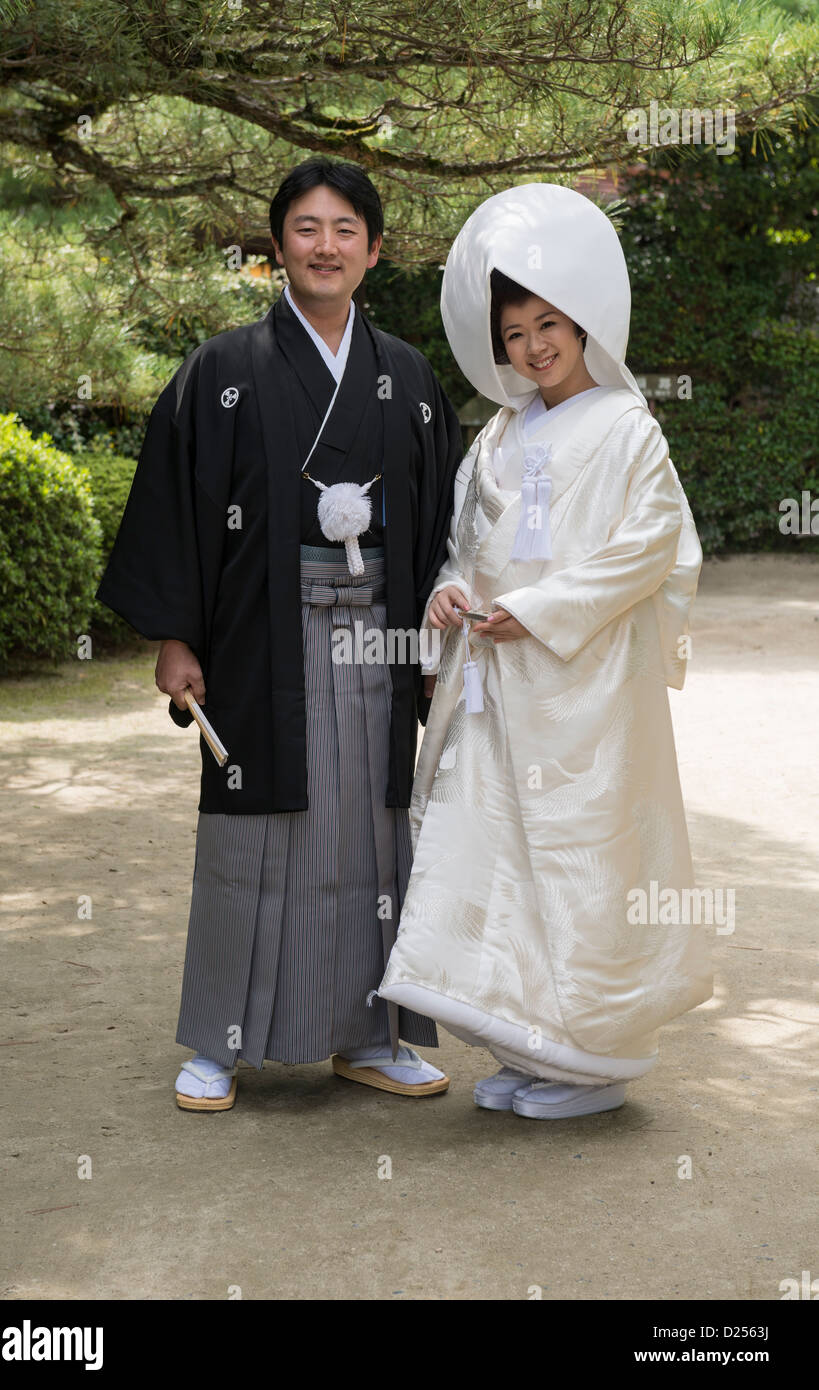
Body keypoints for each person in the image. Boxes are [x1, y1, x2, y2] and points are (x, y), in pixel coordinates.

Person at [96, 158, 465, 1110]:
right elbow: (176, 508)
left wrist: (433, 645)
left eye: (346, 229)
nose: (325, 246)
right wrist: (175, 635)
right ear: (277, 247)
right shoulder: (221, 371)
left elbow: (439, 528)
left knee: (374, 841)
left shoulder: (409, 377)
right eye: (306, 228)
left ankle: (371, 1037)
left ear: (374, 251)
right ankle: (222, 1044)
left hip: (381, 636)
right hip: (262, 635)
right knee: (250, 836)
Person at [377, 182, 714, 1120]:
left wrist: (544, 608)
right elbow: (465, 545)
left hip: (583, 685)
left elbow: (649, 548)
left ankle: (593, 1060)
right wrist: (450, 591)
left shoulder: (625, 427)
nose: (532, 345)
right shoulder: (493, 436)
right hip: (493, 679)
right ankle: (532, 1043)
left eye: (548, 322)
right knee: (498, 855)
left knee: (581, 855)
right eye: (514, 331)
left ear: (582, 321)